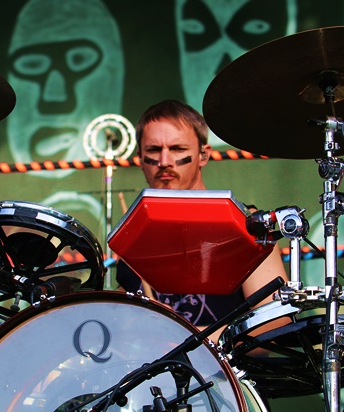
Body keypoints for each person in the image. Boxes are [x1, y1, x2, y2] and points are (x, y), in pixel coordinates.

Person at [116, 99, 288, 331]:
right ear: (140, 158)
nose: (164, 162)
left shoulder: (246, 224)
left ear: (204, 155)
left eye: (178, 149)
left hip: (220, 356)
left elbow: (276, 323)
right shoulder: (133, 235)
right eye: (154, 150)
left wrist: (186, 342)